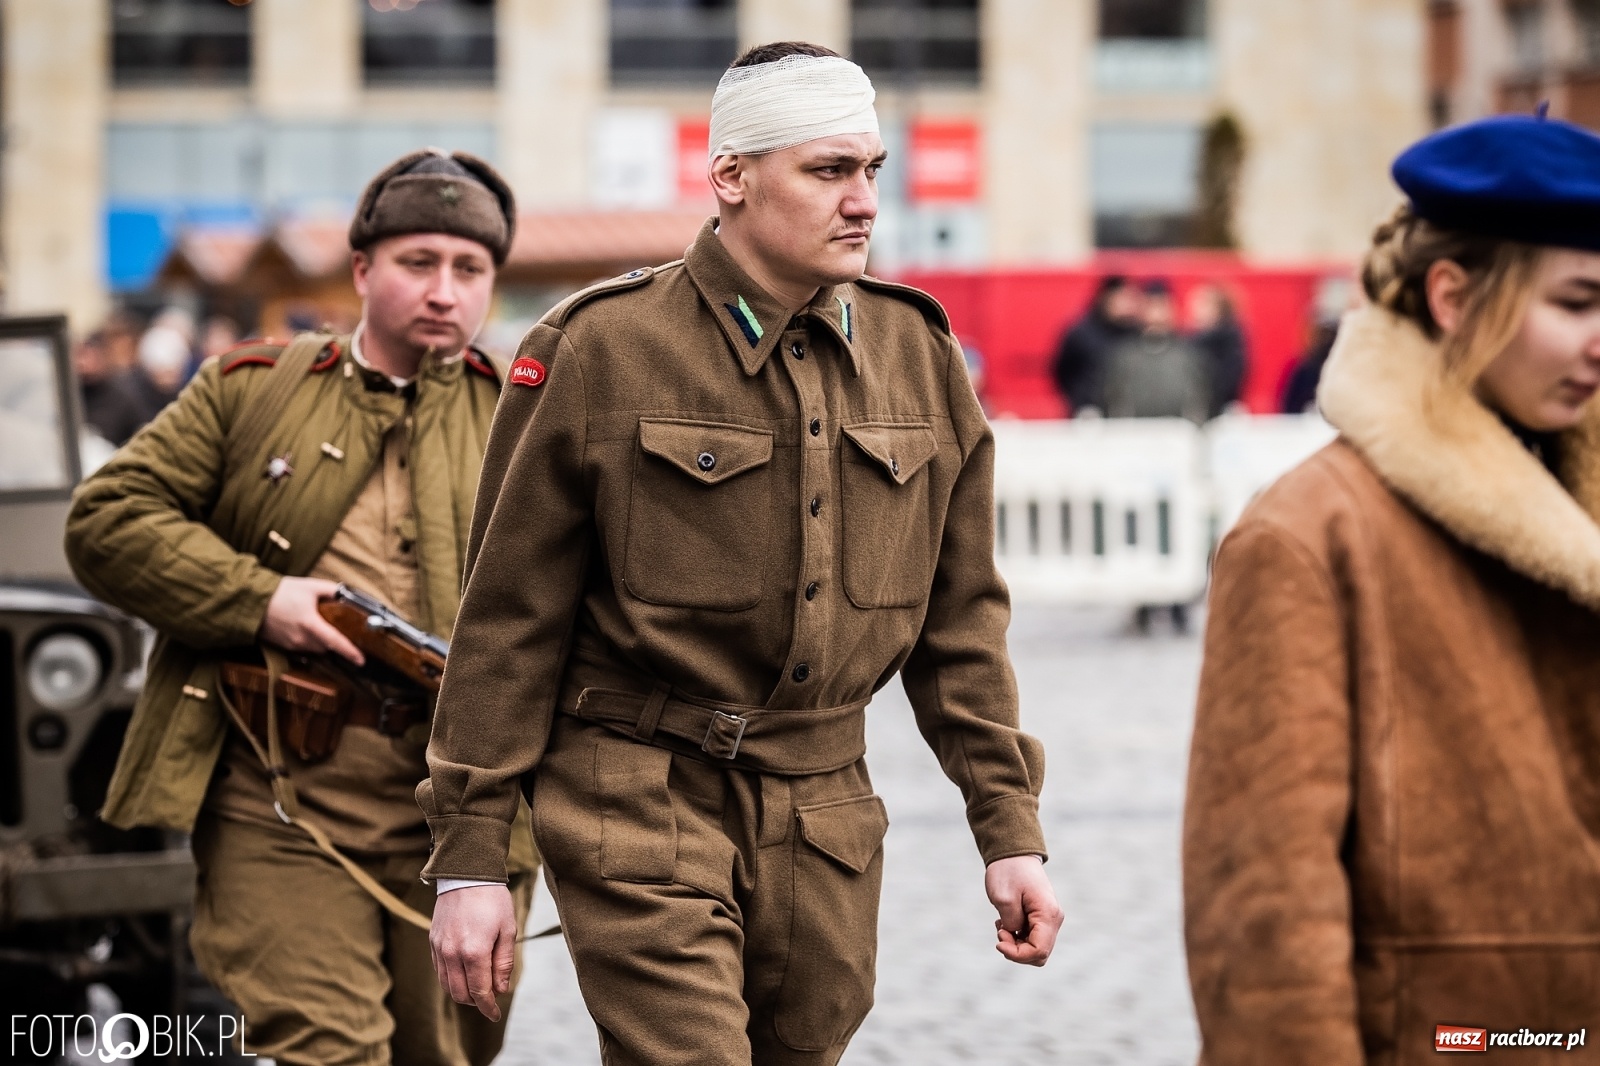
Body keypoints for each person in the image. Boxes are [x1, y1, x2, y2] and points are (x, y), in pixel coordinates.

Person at [421, 41, 1061, 1066]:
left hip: (825, 814)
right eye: (828, 170)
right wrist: (470, 860)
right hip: (634, 796)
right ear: (731, 176)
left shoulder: (920, 354)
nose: (863, 201)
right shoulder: (601, 347)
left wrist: (1009, 827)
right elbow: (507, 621)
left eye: (871, 170)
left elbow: (961, 624)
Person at [64, 148, 538, 1066]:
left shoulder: (524, 420)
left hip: (460, 816)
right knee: (329, 1048)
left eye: (469, 268)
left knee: (443, 1056)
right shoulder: (251, 388)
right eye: (417, 262)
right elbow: (106, 521)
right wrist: (262, 600)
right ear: (361, 270)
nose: (444, 291)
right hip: (278, 796)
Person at [1185, 114, 1600, 1061]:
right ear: (1452, 296)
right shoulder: (1309, 536)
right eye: (1577, 303)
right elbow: (1267, 918)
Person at [1102, 278, 1210, 424]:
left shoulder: (1189, 354)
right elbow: (1113, 398)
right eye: (1151, 306)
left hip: (1178, 432)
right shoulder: (1125, 355)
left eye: (1162, 305)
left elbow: (1200, 400)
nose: (1157, 313)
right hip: (1135, 432)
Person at [1051, 273, 1143, 416]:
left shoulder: (1133, 333)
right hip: (1088, 412)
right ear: (1106, 298)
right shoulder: (1081, 333)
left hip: (1123, 412)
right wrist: (1078, 399)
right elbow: (1062, 372)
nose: (1127, 305)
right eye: (1122, 298)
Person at [73, 327, 162, 446]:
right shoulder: (70, 397)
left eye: (90, 356)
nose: (84, 363)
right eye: (80, 356)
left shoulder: (122, 397)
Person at [1185, 283, 1247, 417]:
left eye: (1203, 305)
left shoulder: (1229, 342)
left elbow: (1229, 380)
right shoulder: (1191, 341)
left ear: (1219, 309)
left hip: (1222, 411)